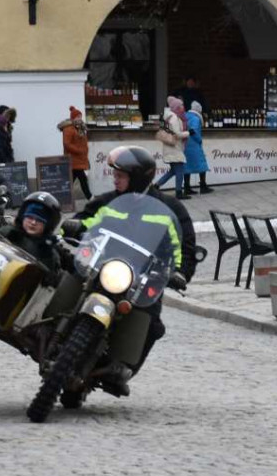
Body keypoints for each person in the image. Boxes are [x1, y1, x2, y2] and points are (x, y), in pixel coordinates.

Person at [71, 145, 196, 396]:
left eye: (120, 176)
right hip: (101, 268)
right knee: (67, 283)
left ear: (137, 179)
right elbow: (85, 219)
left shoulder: (170, 209)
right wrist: (73, 227)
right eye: (115, 175)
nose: (114, 180)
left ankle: (123, 369)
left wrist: (179, 272)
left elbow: (184, 246)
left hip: (142, 279)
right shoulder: (108, 202)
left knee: (152, 324)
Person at [0, 191, 68, 278]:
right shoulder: (7, 232)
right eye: (30, 217)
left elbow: (49, 279)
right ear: (22, 216)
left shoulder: (48, 251)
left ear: (49, 225)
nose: (33, 222)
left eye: (39, 220)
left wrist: (46, 255)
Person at [154, 96, 192, 199]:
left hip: (170, 147)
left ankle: (156, 186)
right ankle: (179, 193)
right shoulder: (174, 118)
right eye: (181, 105)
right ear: (177, 107)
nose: (183, 107)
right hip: (174, 147)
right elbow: (177, 134)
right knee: (179, 171)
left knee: (173, 171)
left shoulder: (169, 116)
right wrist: (188, 133)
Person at [58, 105, 90, 200]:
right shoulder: (68, 129)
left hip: (79, 160)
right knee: (82, 179)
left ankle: (62, 197)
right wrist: (79, 150)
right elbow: (67, 144)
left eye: (80, 116)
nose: (80, 118)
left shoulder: (80, 128)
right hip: (73, 160)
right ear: (73, 118)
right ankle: (90, 197)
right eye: (78, 117)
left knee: (71, 180)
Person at [183, 100, 213, 195]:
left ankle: (187, 187)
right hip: (194, 144)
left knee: (186, 166)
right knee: (202, 164)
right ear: (198, 110)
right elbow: (194, 131)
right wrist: (199, 140)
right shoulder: (196, 118)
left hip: (185, 144)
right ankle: (203, 186)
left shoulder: (186, 116)